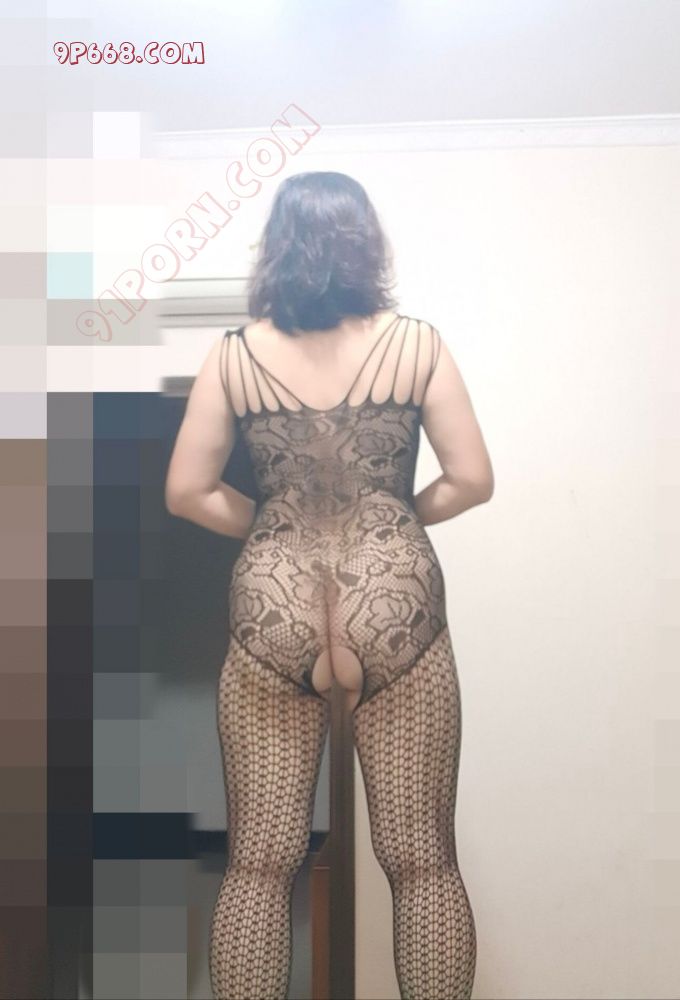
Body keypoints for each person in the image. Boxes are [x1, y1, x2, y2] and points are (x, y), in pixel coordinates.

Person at [165, 170, 494, 1000]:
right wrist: (392, 516)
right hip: (393, 602)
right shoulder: (416, 344)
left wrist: (273, 522)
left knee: (258, 864)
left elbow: (188, 492)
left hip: (273, 604)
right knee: (422, 863)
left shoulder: (235, 354)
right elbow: (472, 479)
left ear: (276, 247)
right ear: (365, 244)